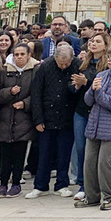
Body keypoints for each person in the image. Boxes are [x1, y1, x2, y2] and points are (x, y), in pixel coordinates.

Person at [74, 44, 111, 211]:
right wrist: (92, 90)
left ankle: (110, 196)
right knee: (89, 162)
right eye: (108, 57)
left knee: (105, 163)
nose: (109, 60)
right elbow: (87, 101)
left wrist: (98, 93)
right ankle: (92, 196)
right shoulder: (101, 75)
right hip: (95, 124)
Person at [27, 43, 80, 199]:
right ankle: (40, 186)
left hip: (67, 116)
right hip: (47, 116)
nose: (64, 66)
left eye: (66, 63)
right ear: (55, 58)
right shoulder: (45, 67)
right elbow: (36, 93)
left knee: (64, 154)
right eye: (61, 63)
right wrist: (38, 119)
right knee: (44, 153)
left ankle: (62, 184)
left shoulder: (77, 65)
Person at [0, 43, 38, 197]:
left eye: (22, 54)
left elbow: (38, 93)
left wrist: (25, 104)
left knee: (20, 153)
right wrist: (9, 92)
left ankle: (16, 183)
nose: (19, 57)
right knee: (5, 153)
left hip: (24, 118)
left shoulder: (36, 70)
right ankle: (3, 182)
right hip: (5, 117)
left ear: (29, 55)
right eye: (17, 54)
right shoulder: (4, 70)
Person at [71, 31, 109, 199]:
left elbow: (104, 88)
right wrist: (77, 86)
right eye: (92, 41)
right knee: (80, 149)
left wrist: (86, 83)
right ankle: (82, 184)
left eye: (97, 41)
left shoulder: (108, 66)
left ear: (105, 46)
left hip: (99, 113)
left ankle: (96, 185)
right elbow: (71, 86)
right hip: (81, 111)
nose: (93, 44)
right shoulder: (82, 64)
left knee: (96, 153)